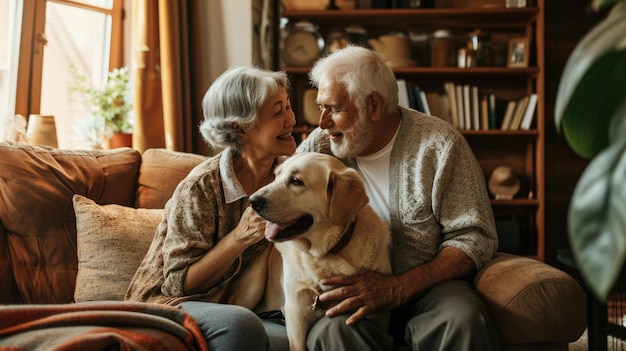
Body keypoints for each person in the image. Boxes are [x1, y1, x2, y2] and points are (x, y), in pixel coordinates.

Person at [297, 45, 501, 350]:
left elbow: (474, 237)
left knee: (463, 318)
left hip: (430, 286)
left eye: (335, 109)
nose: (322, 122)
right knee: (331, 333)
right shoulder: (321, 146)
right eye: (321, 107)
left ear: (374, 106)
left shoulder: (439, 145)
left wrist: (401, 287)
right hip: (353, 284)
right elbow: (285, 204)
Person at [125, 65, 296, 351]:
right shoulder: (202, 187)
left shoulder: (287, 175)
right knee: (242, 325)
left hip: (245, 305)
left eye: (289, 107)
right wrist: (241, 236)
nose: (291, 119)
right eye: (277, 112)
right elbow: (179, 284)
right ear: (240, 128)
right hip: (171, 305)